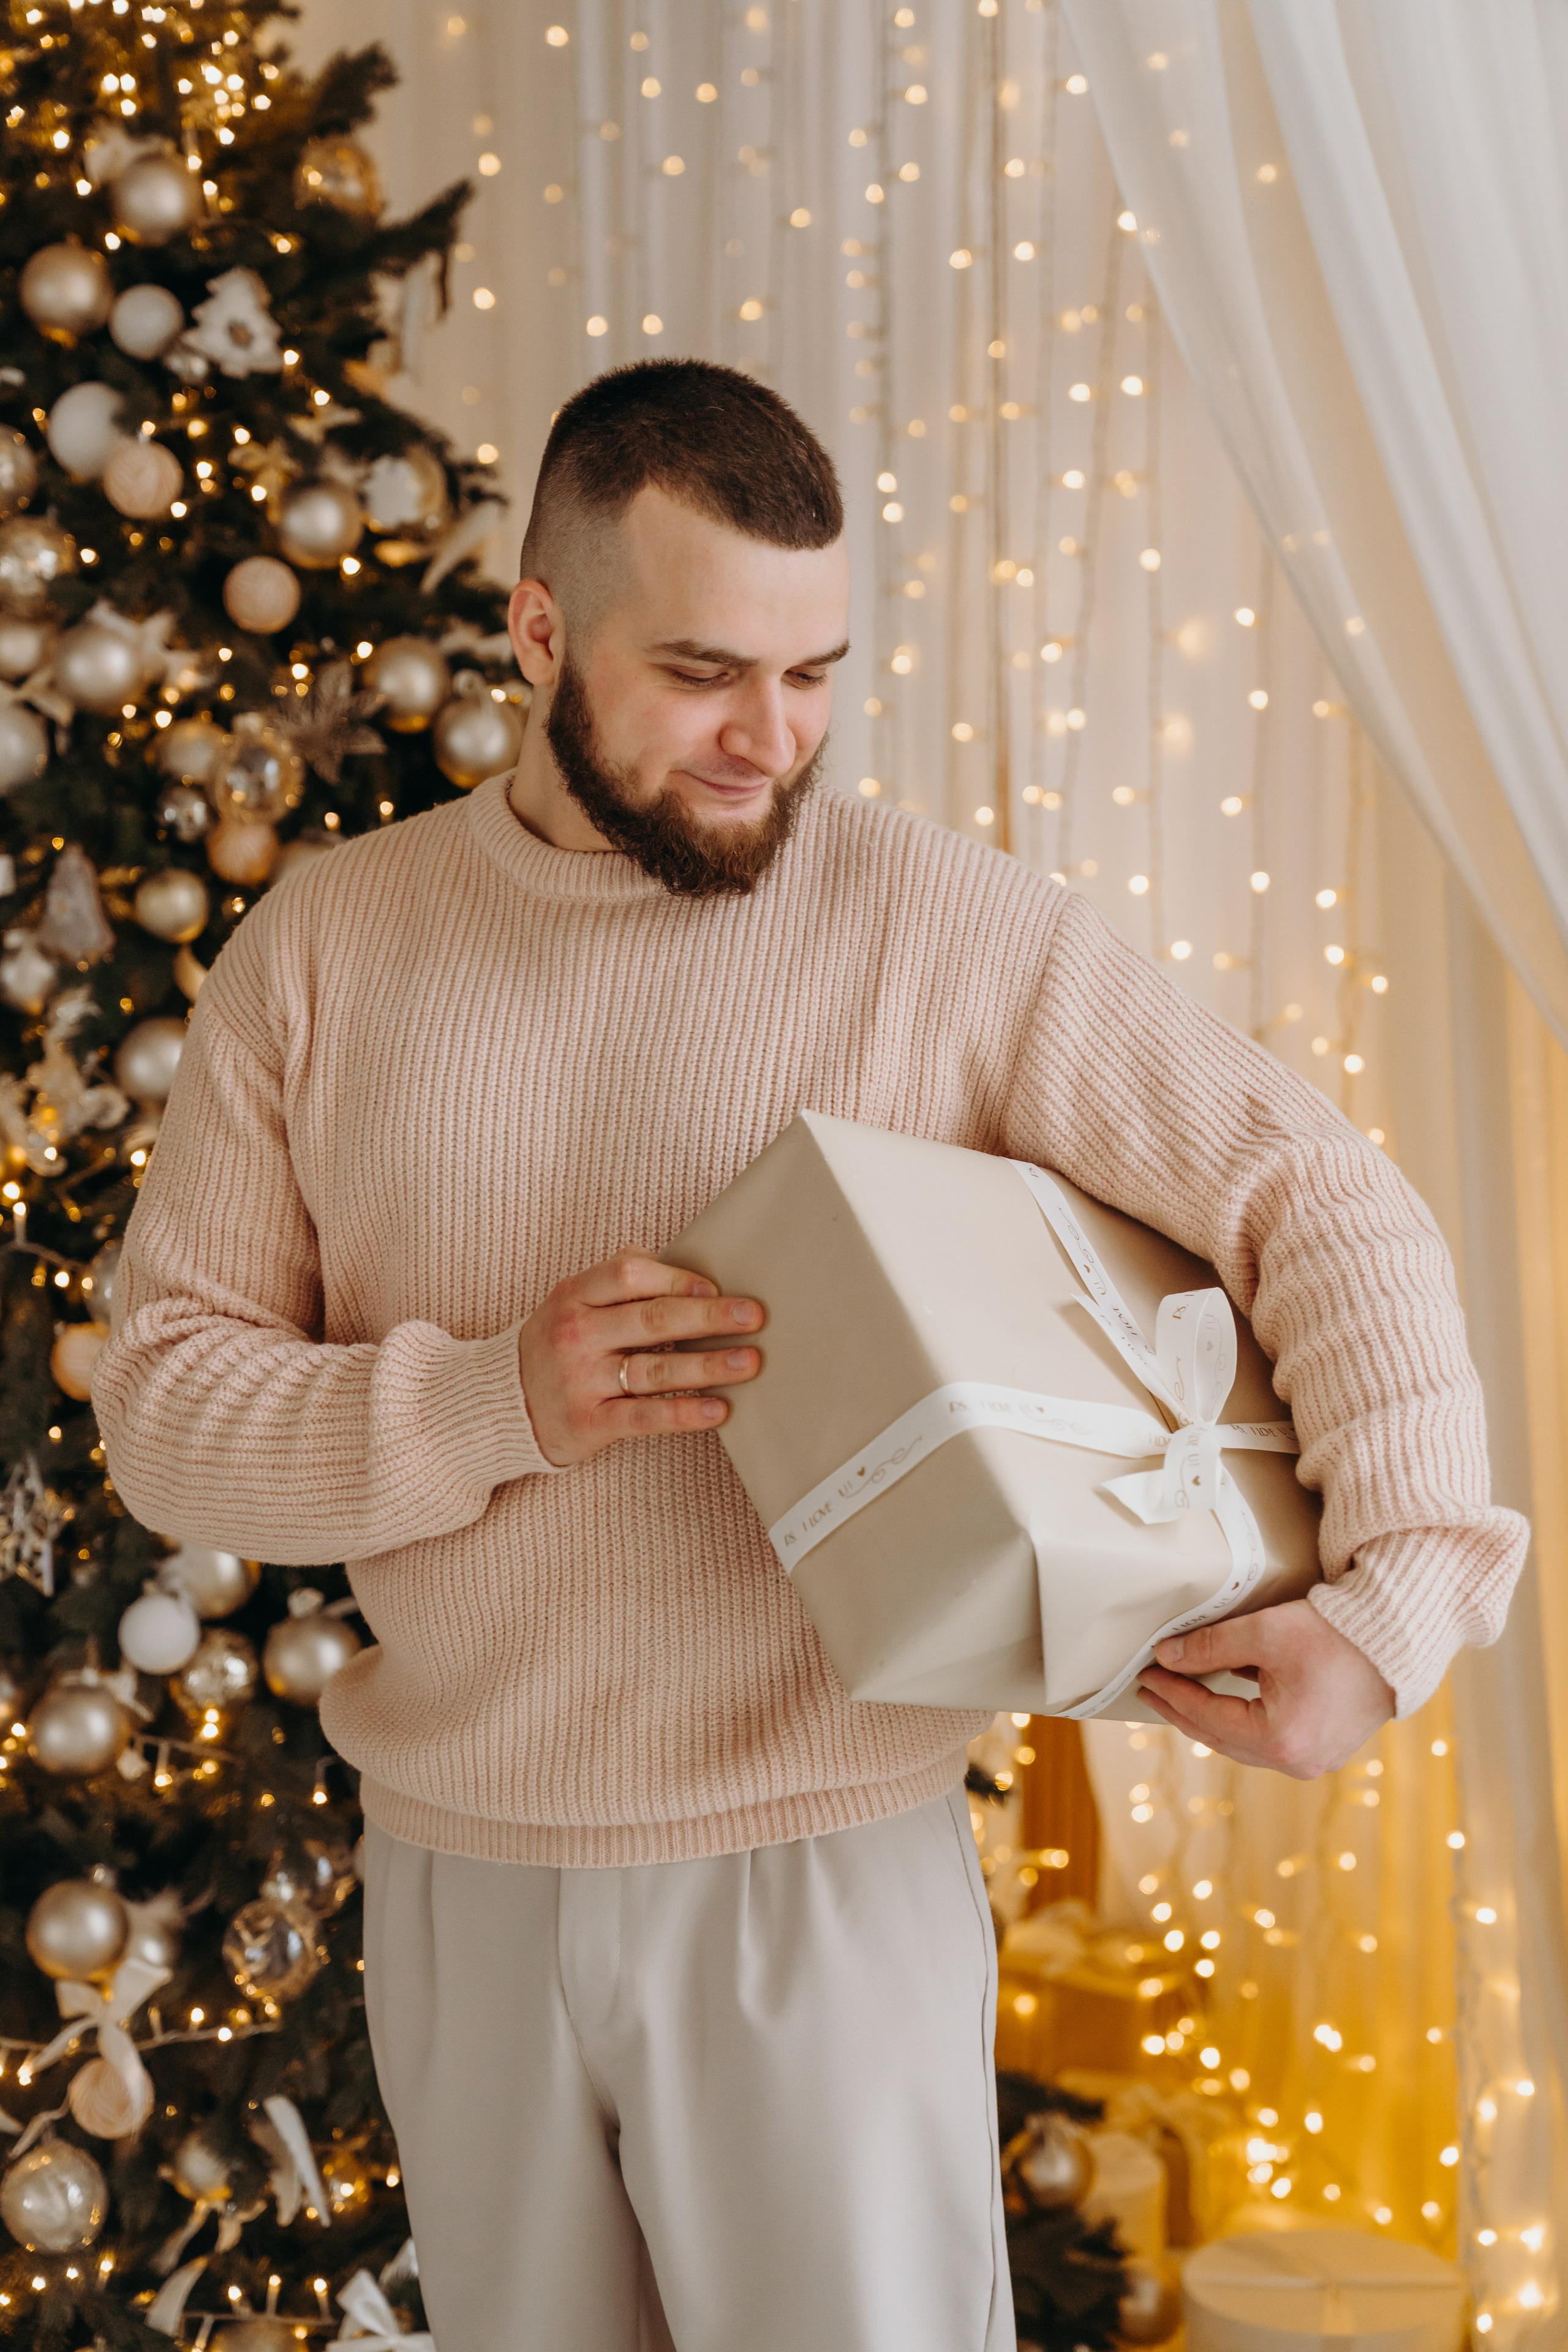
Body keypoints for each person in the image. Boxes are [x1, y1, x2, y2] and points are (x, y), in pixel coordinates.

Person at [95, 360, 1525, 2352]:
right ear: (538, 629)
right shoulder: (326, 952)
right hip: (458, 1892)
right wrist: (493, 1398)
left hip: (820, 1879)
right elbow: (164, 1410)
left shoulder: (945, 924)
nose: (774, 741)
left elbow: (1323, 1194)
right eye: (703, 674)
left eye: (815, 671)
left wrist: (1397, 1607)